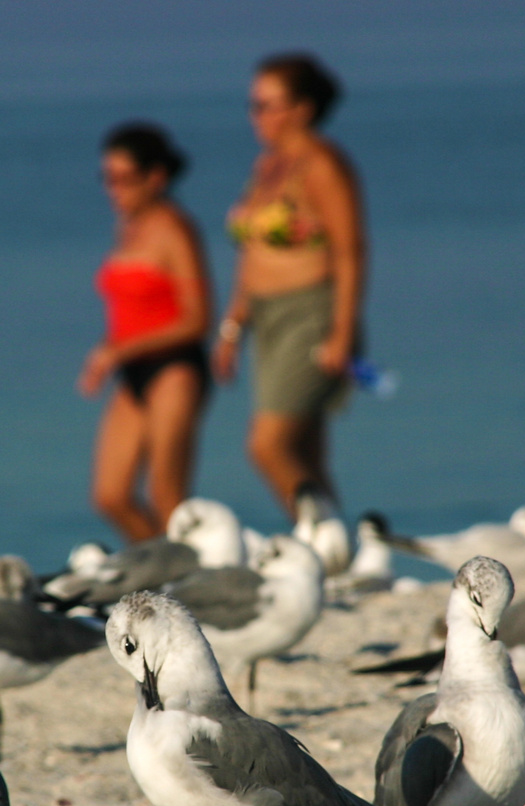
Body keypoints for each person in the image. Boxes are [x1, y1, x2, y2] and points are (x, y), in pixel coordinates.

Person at [214, 52, 365, 516]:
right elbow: (252, 253)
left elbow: (349, 249)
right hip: (266, 318)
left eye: (266, 105)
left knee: (268, 445)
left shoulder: (322, 164)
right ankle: (335, 551)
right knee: (306, 451)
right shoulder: (267, 167)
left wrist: (342, 332)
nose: (256, 116)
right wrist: (232, 326)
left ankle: (320, 539)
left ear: (301, 108)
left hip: (310, 313)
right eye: (253, 105)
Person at [79, 122, 215, 542]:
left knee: (167, 496)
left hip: (175, 368)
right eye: (107, 178)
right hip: (131, 370)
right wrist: (109, 353)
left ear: (155, 177)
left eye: (124, 179)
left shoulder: (174, 228)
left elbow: (198, 318)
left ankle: (183, 585)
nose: (113, 189)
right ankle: (163, 573)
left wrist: (118, 351)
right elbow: (130, 310)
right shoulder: (128, 228)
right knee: (110, 495)